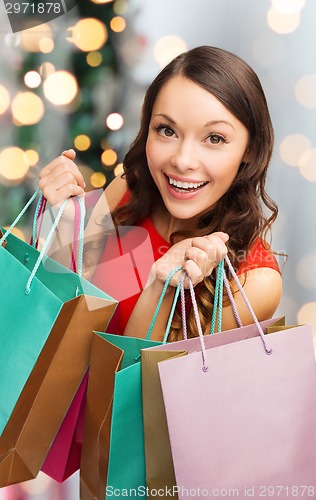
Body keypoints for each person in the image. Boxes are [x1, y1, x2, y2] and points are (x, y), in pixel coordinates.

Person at [38, 45, 282, 342]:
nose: (182, 160)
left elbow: (143, 384)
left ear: (250, 150)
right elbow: (63, 321)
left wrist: (161, 289)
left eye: (214, 138)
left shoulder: (254, 281)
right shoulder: (128, 189)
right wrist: (64, 221)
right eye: (167, 130)